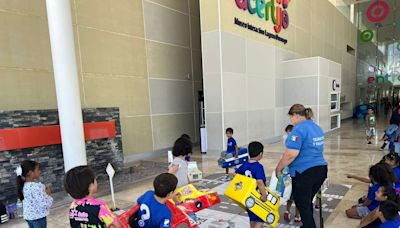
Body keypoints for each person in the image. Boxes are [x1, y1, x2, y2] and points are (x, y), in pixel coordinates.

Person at [275, 104, 327, 228]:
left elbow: (291, 154)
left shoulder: (299, 129)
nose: (291, 121)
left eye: (291, 117)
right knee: (306, 202)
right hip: (321, 170)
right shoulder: (316, 127)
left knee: (303, 206)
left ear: (296, 115)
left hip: (305, 173)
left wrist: (279, 168)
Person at [235, 141, 268, 228]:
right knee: (261, 218)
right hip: (258, 197)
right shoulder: (258, 167)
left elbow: (235, 174)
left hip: (248, 197)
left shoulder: (245, 165)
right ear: (260, 154)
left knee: (252, 218)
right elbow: (260, 182)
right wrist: (264, 195)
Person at [15, 160, 53, 228]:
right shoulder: (37, 186)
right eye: (38, 169)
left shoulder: (23, 186)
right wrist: (49, 196)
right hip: (38, 217)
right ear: (30, 172)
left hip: (29, 217)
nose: (40, 171)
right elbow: (44, 203)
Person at [282, 124, 301, 223]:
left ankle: (289, 211)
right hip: (293, 174)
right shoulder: (293, 150)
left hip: (292, 174)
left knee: (291, 195)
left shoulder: (290, 148)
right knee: (295, 195)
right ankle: (294, 213)